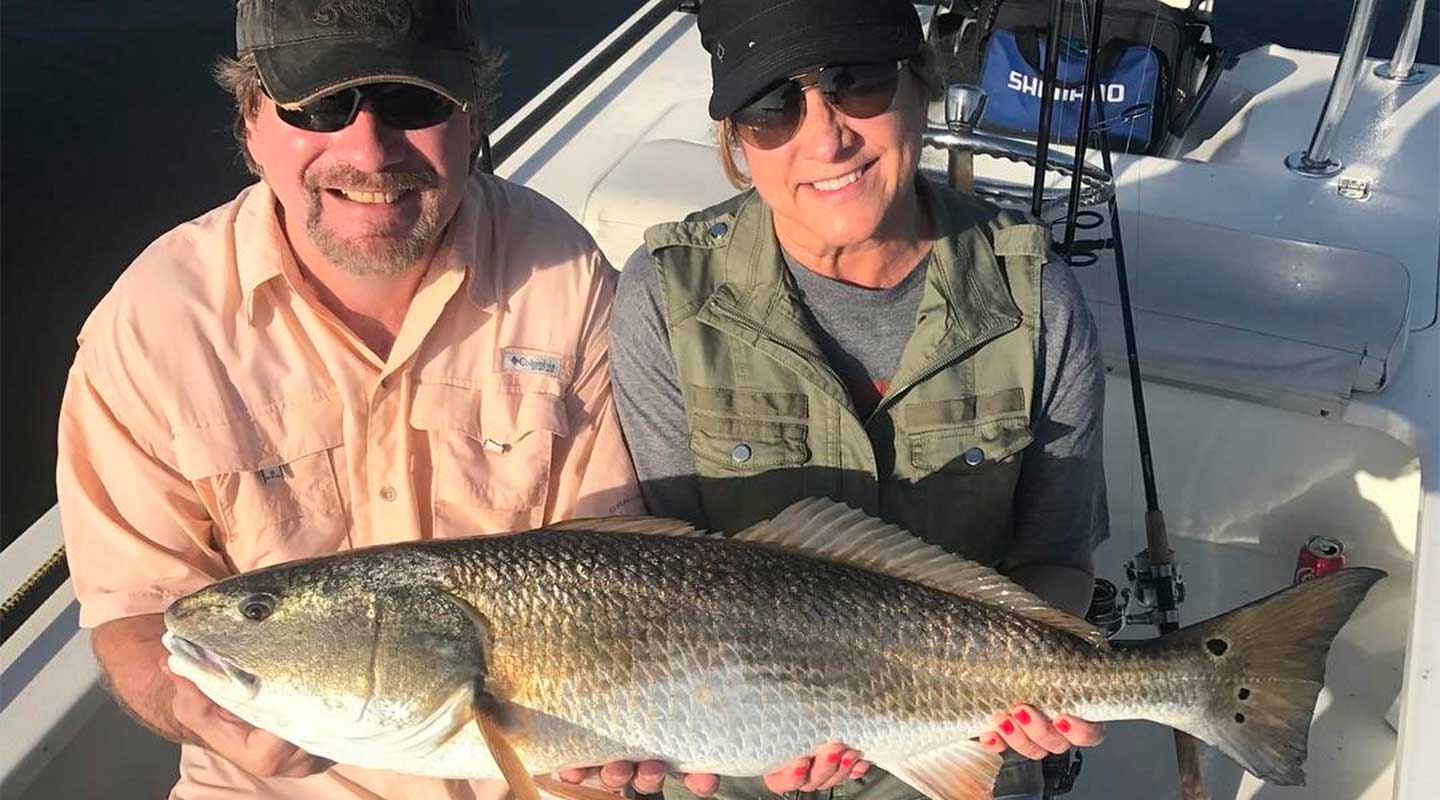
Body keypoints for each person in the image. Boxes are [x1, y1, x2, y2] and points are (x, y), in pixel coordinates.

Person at [56, 2, 651, 798]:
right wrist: (193, 710)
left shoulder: (568, 279)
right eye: (321, 106)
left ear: (473, 116)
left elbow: (621, 571)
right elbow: (135, 607)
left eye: (414, 102)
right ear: (251, 121)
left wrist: (611, 746)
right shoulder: (153, 323)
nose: (369, 151)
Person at [609, 1, 1111, 798]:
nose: (826, 136)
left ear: (921, 88)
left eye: (859, 82)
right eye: (770, 109)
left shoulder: (1038, 296)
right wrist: (762, 725)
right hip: (741, 739)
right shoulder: (664, 297)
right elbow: (667, 578)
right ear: (737, 143)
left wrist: (1038, 673)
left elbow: (1057, 559)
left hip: (969, 732)